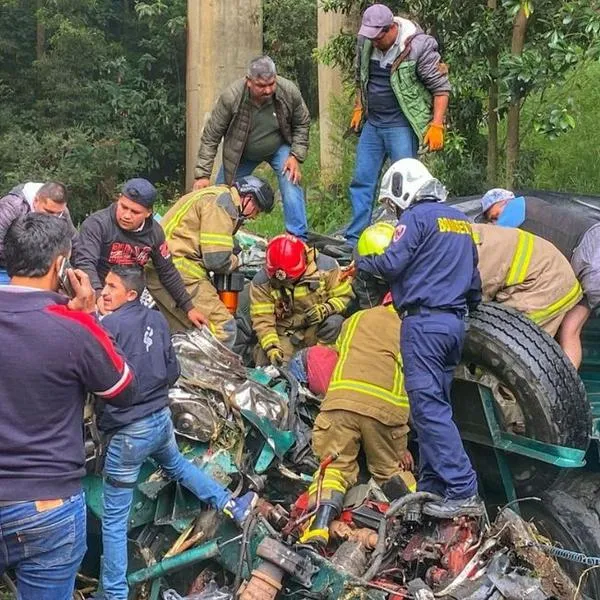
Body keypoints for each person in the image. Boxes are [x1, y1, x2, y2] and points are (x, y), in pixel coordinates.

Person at [96, 265, 257, 600]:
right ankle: (232, 504)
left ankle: (113, 594)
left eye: (112, 286)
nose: (104, 291)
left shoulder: (107, 327)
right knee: (178, 467)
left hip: (128, 435)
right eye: (105, 285)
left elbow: (99, 381)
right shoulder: (156, 320)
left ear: (130, 294)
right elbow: (173, 371)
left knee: (113, 520)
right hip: (160, 421)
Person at [0, 214, 135, 600]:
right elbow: (123, 388)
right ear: (61, 266)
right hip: (47, 503)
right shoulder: (73, 327)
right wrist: (90, 315)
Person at [357, 158, 483, 519]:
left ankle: (462, 489)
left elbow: (391, 264)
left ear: (403, 189)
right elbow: (474, 282)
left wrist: (363, 262)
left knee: (427, 410)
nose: (394, 212)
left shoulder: (416, 218)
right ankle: (432, 488)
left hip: (423, 324)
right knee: (435, 408)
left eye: (393, 205)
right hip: (453, 325)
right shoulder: (460, 221)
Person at [298, 302, 417, 547]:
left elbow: (337, 355)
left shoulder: (356, 318)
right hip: (384, 411)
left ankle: (317, 528)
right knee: (389, 472)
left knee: (333, 469)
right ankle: (417, 521)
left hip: (340, 402)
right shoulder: (412, 327)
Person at [345, 3, 451, 246]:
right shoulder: (366, 42)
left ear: (391, 28)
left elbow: (441, 88)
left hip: (401, 125)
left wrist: (437, 125)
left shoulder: (418, 46)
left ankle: (406, 238)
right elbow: (361, 78)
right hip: (374, 124)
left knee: (406, 186)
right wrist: (359, 106)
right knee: (362, 180)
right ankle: (354, 239)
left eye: (378, 36)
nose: (374, 41)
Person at [146, 176, 274, 348]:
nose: (254, 216)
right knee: (223, 328)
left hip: (161, 269)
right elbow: (216, 261)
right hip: (180, 272)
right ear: (248, 197)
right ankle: (206, 374)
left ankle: (181, 371)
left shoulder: (215, 194)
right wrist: (243, 259)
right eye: (256, 209)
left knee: (188, 334)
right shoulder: (223, 205)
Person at [193, 56, 310, 240]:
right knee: (220, 195)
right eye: (262, 86)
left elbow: (302, 122)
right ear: (249, 81)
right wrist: (202, 175)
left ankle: (298, 237)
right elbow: (211, 136)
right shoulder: (231, 97)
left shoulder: (288, 91)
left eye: (271, 84)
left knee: (291, 179)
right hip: (241, 153)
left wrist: (295, 155)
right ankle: (215, 236)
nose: (268, 90)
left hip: (278, 147)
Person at [480, 188, 599, 367]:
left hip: (592, 251)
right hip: (583, 268)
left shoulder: (519, 205)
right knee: (569, 329)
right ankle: (566, 387)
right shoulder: (531, 216)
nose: (495, 221)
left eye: (495, 215)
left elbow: (498, 238)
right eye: (491, 219)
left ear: (505, 201)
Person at [73, 177, 207, 327]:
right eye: (123, 207)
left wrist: (189, 307)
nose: (126, 215)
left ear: (148, 213)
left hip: (132, 298)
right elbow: (85, 263)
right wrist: (98, 296)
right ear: (119, 200)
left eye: (135, 212)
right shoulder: (97, 224)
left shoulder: (155, 233)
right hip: (98, 292)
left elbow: (167, 271)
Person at [249, 234, 353, 366]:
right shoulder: (262, 283)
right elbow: (263, 321)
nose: (286, 283)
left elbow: (345, 297)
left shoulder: (327, 268)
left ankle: (321, 361)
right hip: (285, 334)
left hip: (316, 330)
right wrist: (272, 347)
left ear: (304, 261)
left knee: (335, 323)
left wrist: (326, 309)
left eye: (291, 279)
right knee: (270, 364)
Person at [472, 223, 582, 346]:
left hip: (546, 284)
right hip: (549, 273)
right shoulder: (465, 236)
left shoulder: (467, 252)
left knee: (501, 346)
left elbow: (471, 297)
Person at [0, 181, 76, 282]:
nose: (54, 217)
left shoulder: (61, 211)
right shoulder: (11, 206)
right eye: (49, 211)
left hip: (41, 270)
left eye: (58, 213)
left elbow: (75, 242)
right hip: (5, 267)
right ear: (36, 201)